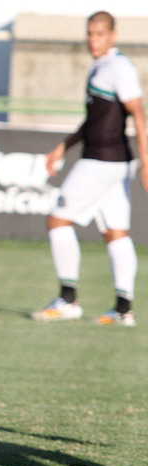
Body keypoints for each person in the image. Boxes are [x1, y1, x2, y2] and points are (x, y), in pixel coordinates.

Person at [32, 11, 148, 326]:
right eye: (89, 33)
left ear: (113, 34)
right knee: (116, 233)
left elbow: (139, 113)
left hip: (102, 161)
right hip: (112, 162)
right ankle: (124, 309)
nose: (92, 40)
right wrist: (63, 146)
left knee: (58, 219)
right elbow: (95, 120)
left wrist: (147, 164)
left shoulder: (118, 67)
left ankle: (68, 300)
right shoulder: (101, 67)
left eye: (99, 34)